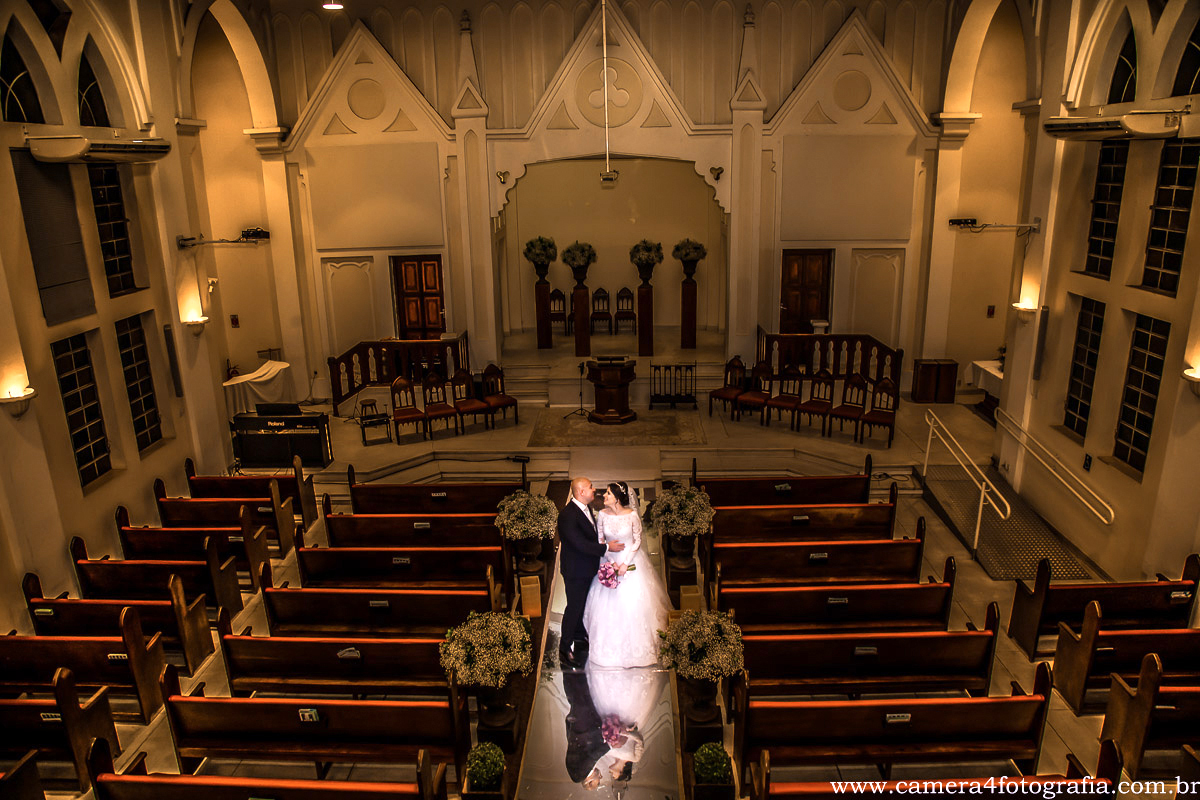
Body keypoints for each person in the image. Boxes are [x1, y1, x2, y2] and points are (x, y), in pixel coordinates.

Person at [581, 481, 671, 668]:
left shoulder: (632, 516)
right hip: (610, 560)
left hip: (630, 562)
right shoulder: (602, 515)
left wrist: (625, 564)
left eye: (607, 494)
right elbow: (601, 540)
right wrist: (613, 564)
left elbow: (637, 541)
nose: (604, 496)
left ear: (617, 498)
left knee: (634, 605)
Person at [558, 476, 625, 669]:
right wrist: (606, 549)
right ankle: (564, 647)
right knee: (574, 607)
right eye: (590, 487)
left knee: (581, 605)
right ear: (580, 492)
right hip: (575, 570)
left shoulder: (586, 509)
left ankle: (579, 636)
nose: (594, 490)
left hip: (586, 567)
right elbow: (578, 544)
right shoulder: (568, 515)